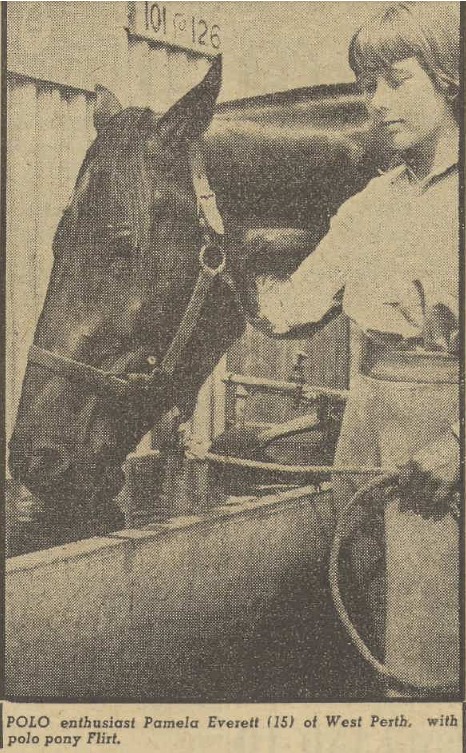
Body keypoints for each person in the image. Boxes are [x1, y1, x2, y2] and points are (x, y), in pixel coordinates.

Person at [244, 2, 460, 696]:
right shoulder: (368, 204)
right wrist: (244, 280)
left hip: (441, 434)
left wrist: (457, 446)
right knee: (375, 618)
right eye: (369, 86)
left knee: (431, 647)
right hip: (367, 427)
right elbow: (295, 305)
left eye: (396, 80)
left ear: (449, 78)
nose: (377, 103)